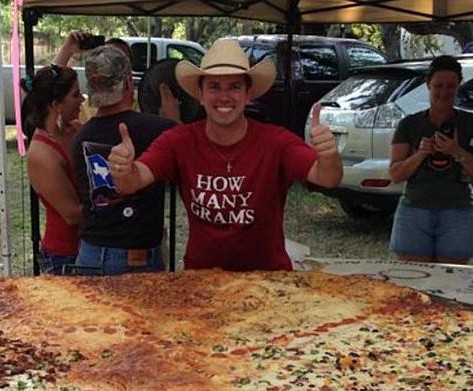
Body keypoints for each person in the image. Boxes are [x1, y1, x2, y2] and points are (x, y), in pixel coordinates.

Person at [108, 39, 342, 272]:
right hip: (202, 281)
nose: (224, 96)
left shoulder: (276, 142)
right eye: (214, 86)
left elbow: (327, 178)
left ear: (248, 94)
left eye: (234, 86)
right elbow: (132, 182)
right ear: (200, 94)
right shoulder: (178, 141)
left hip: (268, 282)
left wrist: (329, 155)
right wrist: (123, 170)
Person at [69, 45, 176, 275]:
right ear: (129, 82)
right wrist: (174, 119)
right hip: (135, 260)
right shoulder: (160, 129)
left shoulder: (79, 138)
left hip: (90, 252)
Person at [388, 55, 473, 264]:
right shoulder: (409, 124)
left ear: (459, 86)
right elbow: (395, 174)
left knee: (452, 282)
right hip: (414, 209)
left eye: (451, 86)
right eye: (438, 85)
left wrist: (456, 151)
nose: (444, 92)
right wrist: (420, 154)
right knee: (413, 280)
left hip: (458, 210)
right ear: (428, 84)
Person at [22, 63, 84, 274]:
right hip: (64, 257)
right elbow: (72, 214)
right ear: (56, 105)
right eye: (76, 95)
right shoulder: (41, 153)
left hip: (85, 248)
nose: (82, 100)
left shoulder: (74, 131)